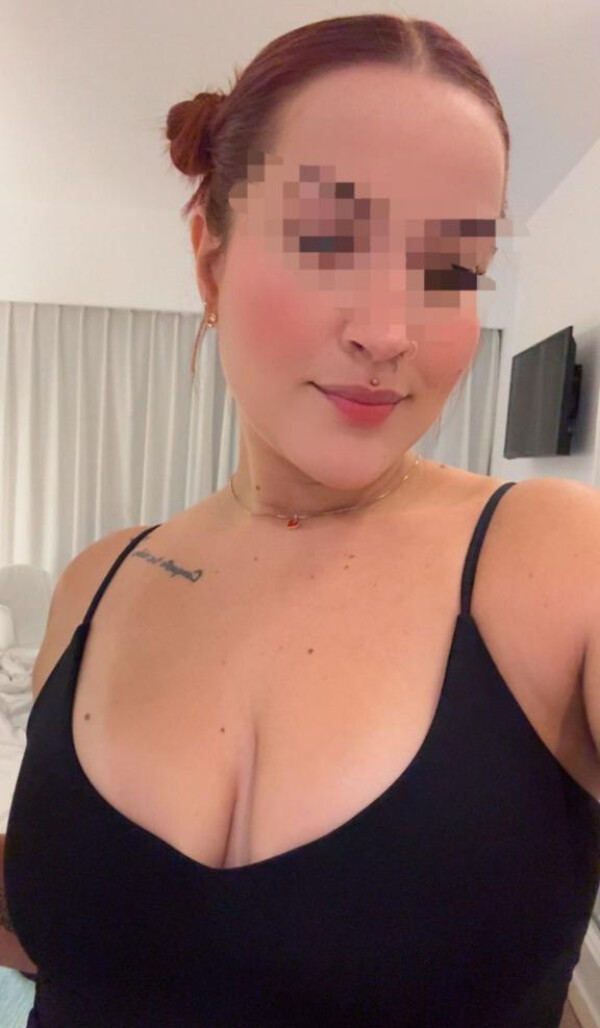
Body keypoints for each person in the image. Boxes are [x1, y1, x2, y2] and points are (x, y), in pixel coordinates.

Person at [3, 13, 599, 1028]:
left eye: (451, 266)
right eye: (330, 239)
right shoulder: (97, 583)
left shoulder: (558, 559)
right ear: (210, 259)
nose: (389, 330)